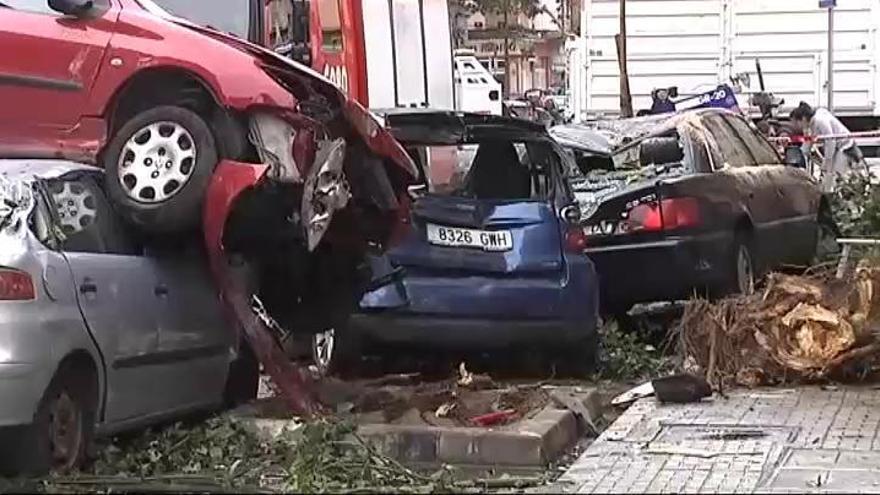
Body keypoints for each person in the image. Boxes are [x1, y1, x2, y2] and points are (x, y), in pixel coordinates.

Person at [790, 101, 865, 191]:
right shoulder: (810, 125)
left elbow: (830, 140)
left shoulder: (820, 120)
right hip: (836, 149)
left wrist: (827, 161)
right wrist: (801, 154)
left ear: (803, 119)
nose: (796, 126)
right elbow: (808, 143)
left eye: (796, 122)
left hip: (844, 147)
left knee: (836, 177)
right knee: (830, 176)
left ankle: (839, 196)